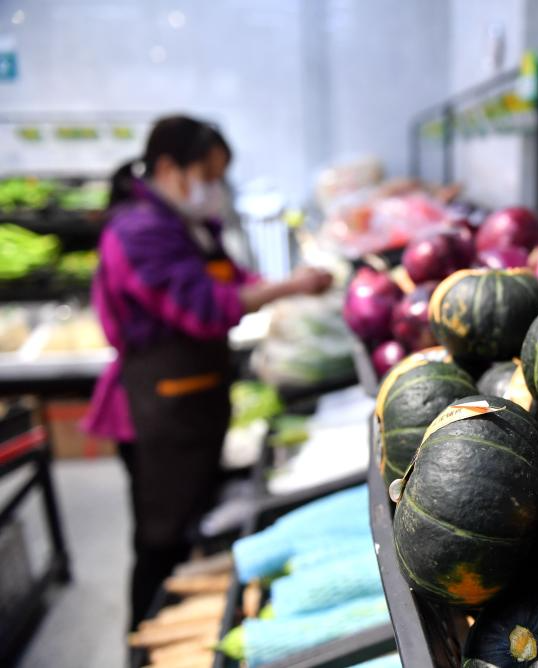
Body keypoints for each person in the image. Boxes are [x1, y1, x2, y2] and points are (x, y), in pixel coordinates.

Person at [83, 115, 331, 629]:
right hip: (156, 412)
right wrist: (288, 288)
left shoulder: (187, 223)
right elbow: (203, 307)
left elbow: (233, 279)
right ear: (169, 169)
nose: (214, 188)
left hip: (192, 404)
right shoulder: (139, 231)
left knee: (190, 522)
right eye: (208, 175)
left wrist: (272, 286)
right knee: (161, 539)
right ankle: (142, 637)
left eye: (220, 177)